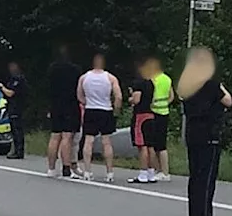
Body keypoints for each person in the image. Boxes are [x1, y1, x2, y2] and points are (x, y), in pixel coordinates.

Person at [178, 47, 232, 216]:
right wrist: (221, 86)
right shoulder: (210, 85)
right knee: (207, 176)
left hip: (192, 133)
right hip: (209, 133)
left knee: (195, 175)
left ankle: (194, 214)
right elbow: (228, 101)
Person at [76, 53, 121, 182]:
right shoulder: (110, 78)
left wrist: (87, 102)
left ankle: (87, 171)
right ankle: (109, 172)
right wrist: (116, 110)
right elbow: (118, 96)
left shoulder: (84, 78)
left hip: (91, 110)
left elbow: (79, 96)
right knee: (106, 142)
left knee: (88, 141)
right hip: (106, 110)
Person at [46, 45, 82, 178]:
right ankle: (66, 168)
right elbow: (79, 88)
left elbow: (49, 87)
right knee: (67, 136)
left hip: (55, 104)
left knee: (55, 136)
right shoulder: (75, 70)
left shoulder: (52, 69)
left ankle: (51, 168)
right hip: (70, 104)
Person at [128, 58, 157, 183]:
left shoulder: (138, 83)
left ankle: (143, 173)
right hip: (150, 114)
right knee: (150, 145)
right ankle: (151, 172)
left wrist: (130, 98)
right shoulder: (150, 82)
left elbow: (136, 100)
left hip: (140, 115)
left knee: (142, 145)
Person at [147, 56, 175, 182]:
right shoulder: (167, 79)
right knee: (161, 143)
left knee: (155, 144)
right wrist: (165, 104)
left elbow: (151, 96)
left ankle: (162, 171)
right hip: (165, 111)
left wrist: (152, 105)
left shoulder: (153, 80)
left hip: (154, 112)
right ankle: (163, 170)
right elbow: (171, 96)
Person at [0, 61, 28, 159]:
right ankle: (16, 149)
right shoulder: (13, 79)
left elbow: (10, 93)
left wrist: (2, 87)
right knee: (14, 129)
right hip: (13, 107)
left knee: (17, 130)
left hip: (17, 107)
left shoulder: (18, 79)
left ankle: (19, 151)